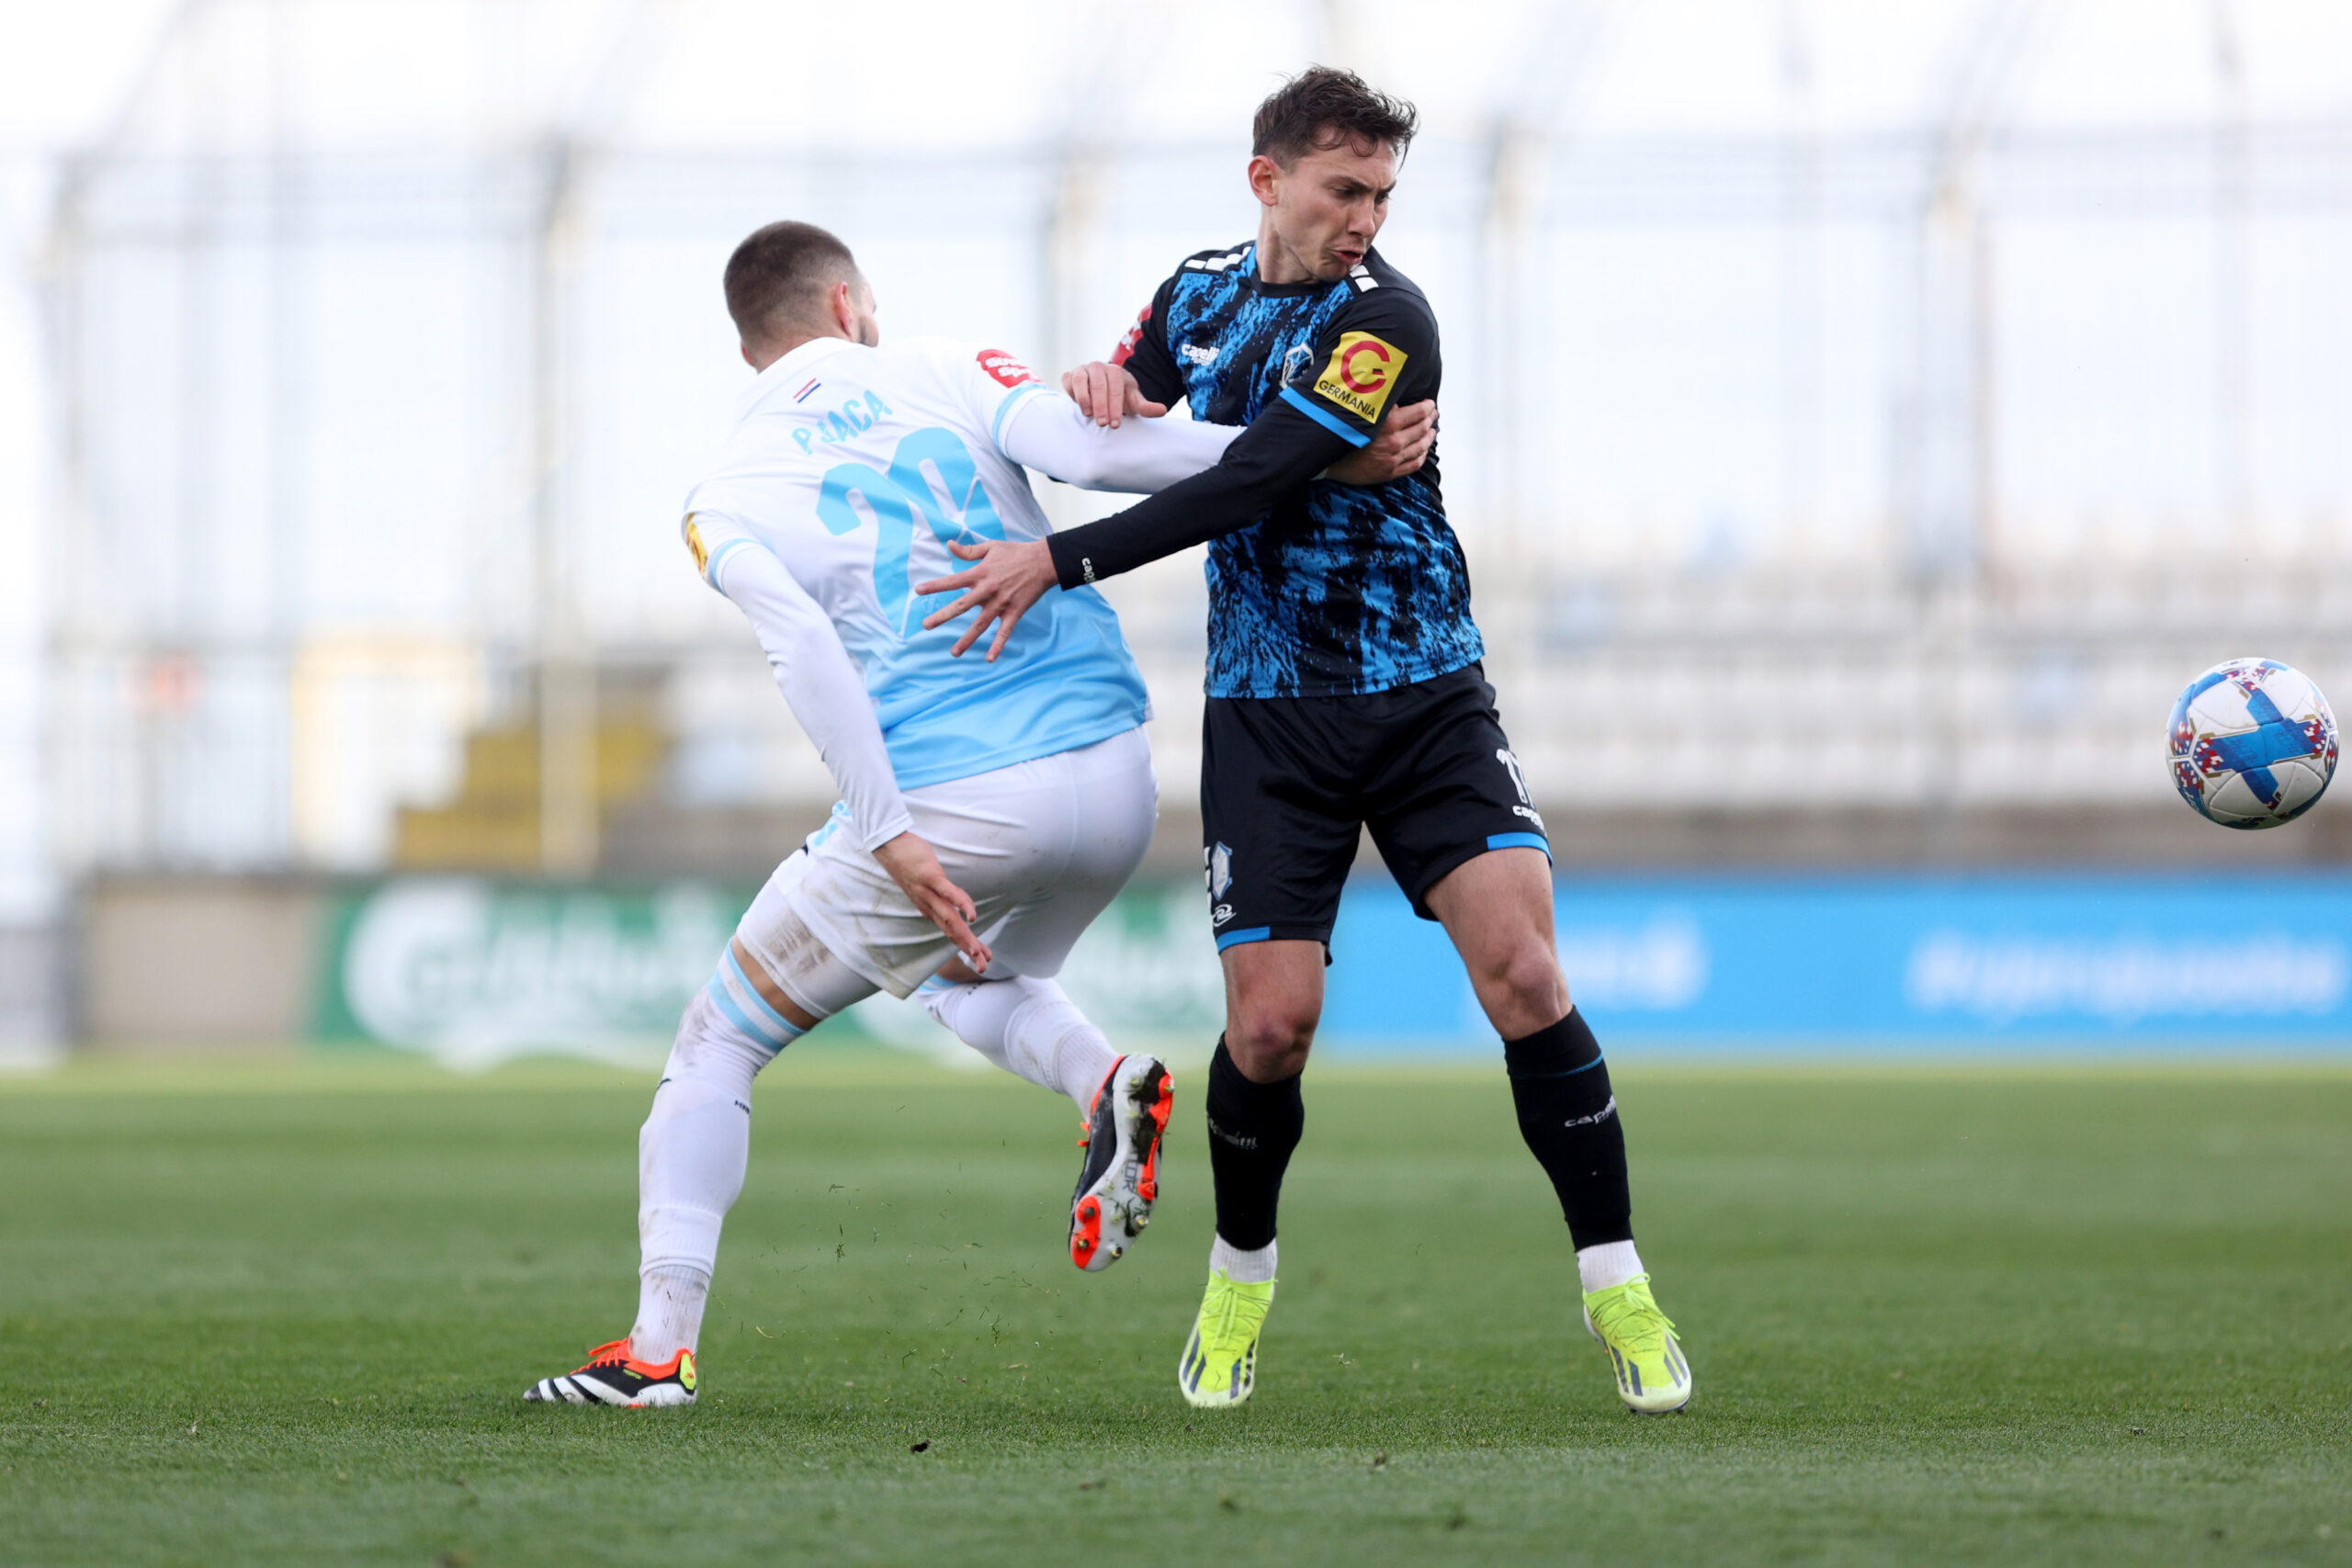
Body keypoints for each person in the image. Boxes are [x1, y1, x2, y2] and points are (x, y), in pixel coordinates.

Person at [524, 219, 1433, 1407]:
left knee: (721, 1042)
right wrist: (1318, 451)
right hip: (1111, 773)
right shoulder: (948, 365)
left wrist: (889, 829)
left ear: (756, 347)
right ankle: (1105, 1080)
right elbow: (1107, 457)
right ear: (850, 305)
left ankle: (653, 1356)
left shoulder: (725, 491)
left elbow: (802, 645)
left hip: (958, 801)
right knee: (961, 973)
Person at [917, 68, 1692, 1416]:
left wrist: (1057, 560)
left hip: (1425, 695)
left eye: (1384, 194)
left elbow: (1251, 477)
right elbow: (1139, 405)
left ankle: (1618, 1287)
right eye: (1345, 190)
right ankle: (1239, 1278)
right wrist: (1110, 378)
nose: (1366, 217)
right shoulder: (1198, 287)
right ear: (1268, 179)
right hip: (1270, 718)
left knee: (1522, 974)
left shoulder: (1388, 318)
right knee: (1270, 1031)